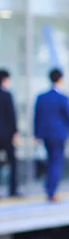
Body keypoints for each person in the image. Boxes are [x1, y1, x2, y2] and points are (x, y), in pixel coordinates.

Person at [34, 68, 69, 202]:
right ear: (60, 79)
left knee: (50, 161)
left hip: (46, 135)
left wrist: (37, 135)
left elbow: (37, 117)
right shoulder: (62, 98)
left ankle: (49, 188)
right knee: (56, 163)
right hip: (59, 135)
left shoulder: (41, 97)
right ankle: (51, 192)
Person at [0, 69, 21, 198]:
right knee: (13, 161)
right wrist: (15, 132)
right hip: (7, 135)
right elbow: (12, 116)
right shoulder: (7, 95)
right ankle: (13, 190)